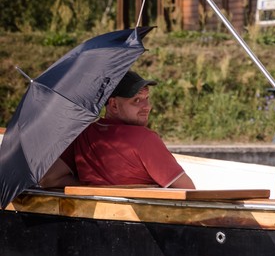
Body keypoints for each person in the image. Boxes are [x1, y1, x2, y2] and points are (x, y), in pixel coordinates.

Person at [39, 70, 195, 190]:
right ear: (113, 105)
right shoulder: (145, 139)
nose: (147, 107)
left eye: (147, 98)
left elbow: (49, 179)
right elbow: (188, 191)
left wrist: (92, 187)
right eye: (137, 100)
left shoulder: (82, 135)